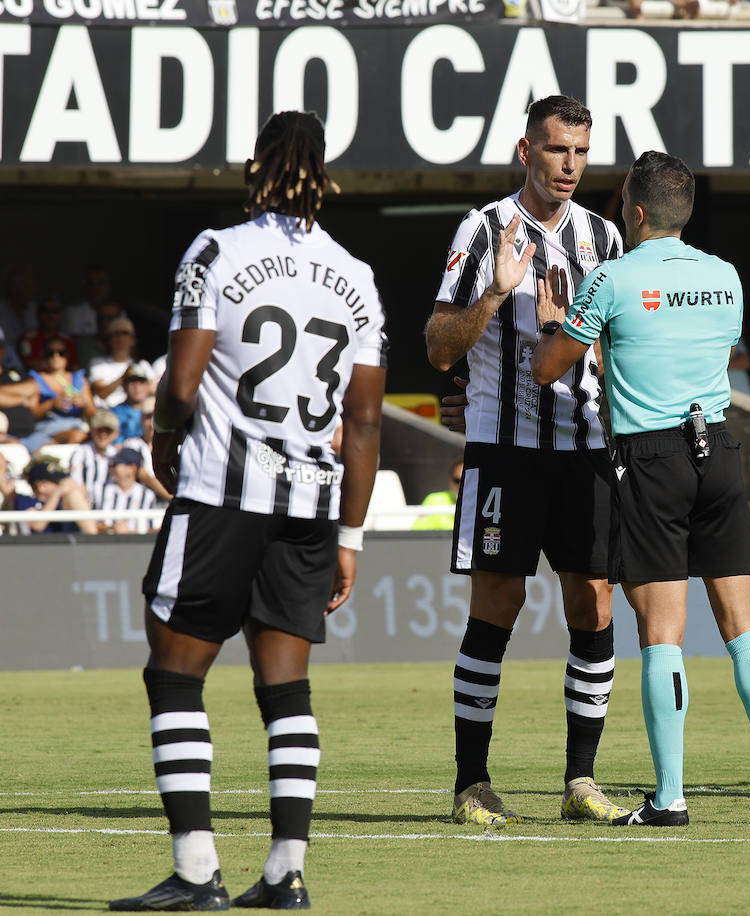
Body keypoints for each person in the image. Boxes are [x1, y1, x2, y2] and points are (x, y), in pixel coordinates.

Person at [110, 111, 387, 911]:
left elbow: (186, 383)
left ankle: (197, 872)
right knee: (286, 691)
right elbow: (364, 424)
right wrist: (352, 535)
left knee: (174, 675)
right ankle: (285, 874)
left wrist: (163, 437)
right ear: (323, 176)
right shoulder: (357, 274)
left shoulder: (215, 250)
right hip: (308, 504)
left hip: (222, 497)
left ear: (254, 166)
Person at [530, 150, 750, 828]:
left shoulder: (612, 277)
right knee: (745, 626)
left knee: (662, 635)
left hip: (650, 459)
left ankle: (670, 796)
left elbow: (548, 367)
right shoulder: (726, 276)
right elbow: (708, 350)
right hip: (719, 450)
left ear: (638, 211)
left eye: (622, 197)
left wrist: (554, 320)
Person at [423, 95, 628, 826]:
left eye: (580, 151)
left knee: (593, 601)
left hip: (586, 448)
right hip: (503, 452)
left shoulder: (605, 237)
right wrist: (496, 292)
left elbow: (620, 343)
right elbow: (439, 345)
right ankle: (471, 783)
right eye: (556, 150)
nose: (569, 164)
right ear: (526, 152)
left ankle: (582, 780)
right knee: (497, 607)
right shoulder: (481, 230)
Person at [22, 337, 94, 453]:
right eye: (50, 353)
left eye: (61, 353)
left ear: (67, 356)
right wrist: (51, 404)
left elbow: (92, 413)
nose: (56, 357)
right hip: (47, 428)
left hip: (76, 425)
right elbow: (31, 414)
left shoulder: (79, 378)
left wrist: (83, 403)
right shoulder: (36, 379)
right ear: (44, 356)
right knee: (77, 436)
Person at [15, 457, 98, 535]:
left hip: (69, 543)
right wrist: (56, 494)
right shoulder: (25, 500)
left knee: (74, 495)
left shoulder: (63, 500)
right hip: (41, 546)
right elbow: (38, 525)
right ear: (42, 486)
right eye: (57, 482)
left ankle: (94, 541)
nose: (61, 485)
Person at [98, 447, 161, 534]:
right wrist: (112, 528)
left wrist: (130, 532)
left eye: (115, 465)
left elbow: (151, 529)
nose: (111, 468)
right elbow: (92, 524)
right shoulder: (102, 491)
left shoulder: (147, 495)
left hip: (136, 544)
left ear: (132, 468)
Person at [412, 458, 464, 531]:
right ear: (450, 481)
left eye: (466, 481)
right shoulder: (434, 500)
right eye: (457, 480)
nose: (461, 485)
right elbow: (418, 533)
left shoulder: (482, 504)